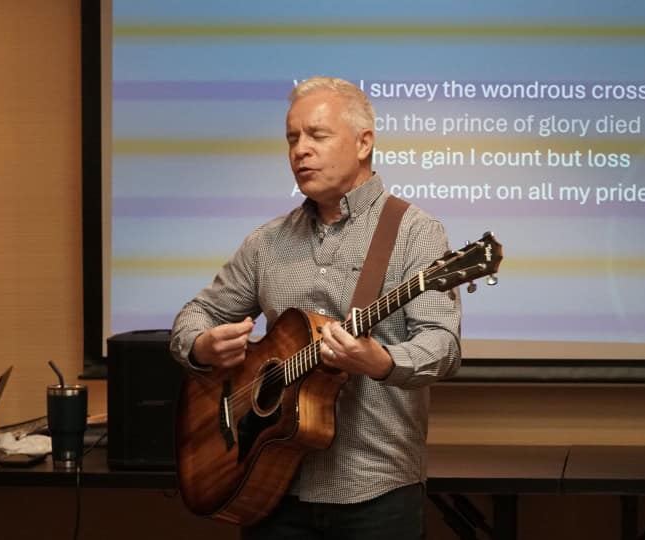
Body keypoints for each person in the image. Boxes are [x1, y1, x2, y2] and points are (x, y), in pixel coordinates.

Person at [170, 76, 462, 539]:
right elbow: (193, 317)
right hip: (267, 486)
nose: (299, 150)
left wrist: (382, 361)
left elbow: (443, 346)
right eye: (292, 138)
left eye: (317, 135)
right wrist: (202, 346)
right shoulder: (266, 243)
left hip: (376, 490)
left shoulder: (415, 233)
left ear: (364, 142)